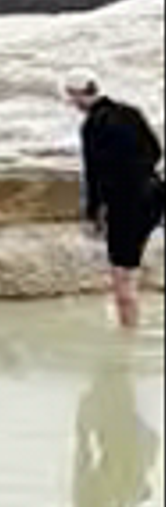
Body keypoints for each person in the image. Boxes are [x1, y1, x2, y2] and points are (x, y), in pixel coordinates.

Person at [70, 78, 160, 339]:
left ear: (78, 94)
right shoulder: (131, 112)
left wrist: (92, 214)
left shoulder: (92, 125)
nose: (72, 103)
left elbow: (93, 174)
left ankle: (127, 338)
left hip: (126, 204)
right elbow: (156, 151)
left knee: (124, 277)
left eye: (72, 97)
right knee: (134, 260)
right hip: (155, 193)